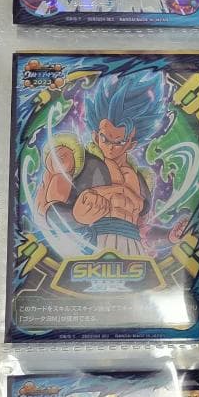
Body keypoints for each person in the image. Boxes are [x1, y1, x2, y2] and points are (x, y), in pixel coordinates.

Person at [37, 70, 168, 257]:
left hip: (134, 252)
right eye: (105, 138)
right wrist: (75, 216)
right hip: (90, 247)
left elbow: (143, 228)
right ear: (95, 135)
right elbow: (48, 212)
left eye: (119, 142)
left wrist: (168, 236)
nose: (110, 147)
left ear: (131, 144)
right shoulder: (76, 160)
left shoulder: (141, 180)